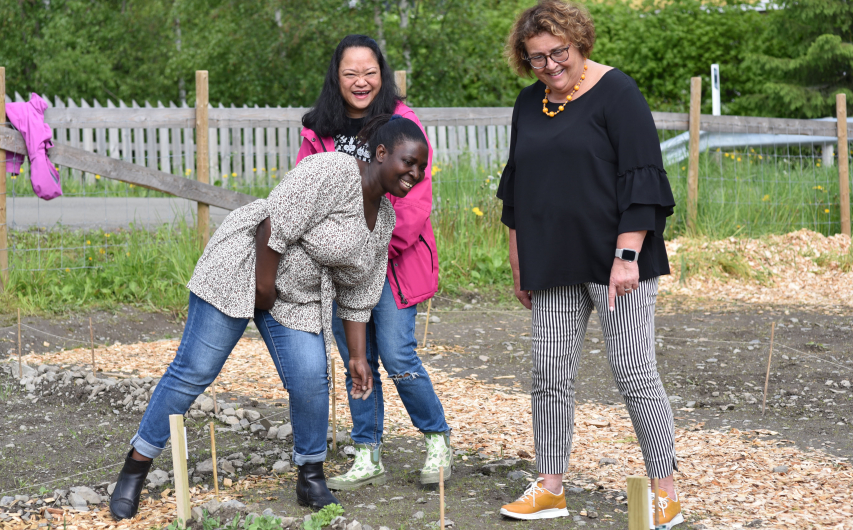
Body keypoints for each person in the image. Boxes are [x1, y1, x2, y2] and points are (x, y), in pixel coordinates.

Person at [108, 114, 429, 520]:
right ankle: (136, 466)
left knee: (311, 377)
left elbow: (358, 293)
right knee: (194, 371)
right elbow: (273, 224)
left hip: (296, 294)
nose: (414, 174)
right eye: (408, 162)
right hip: (244, 267)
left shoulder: (383, 219)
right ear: (381, 153)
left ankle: (310, 474)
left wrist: (359, 357)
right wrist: (264, 289)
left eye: (421, 167)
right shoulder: (332, 170)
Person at [495, 2, 681, 528]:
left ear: (579, 42)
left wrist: (627, 255)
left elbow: (642, 177)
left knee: (633, 371)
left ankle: (665, 491)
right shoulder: (529, 104)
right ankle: (550, 487)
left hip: (615, 260)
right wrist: (517, 261)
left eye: (560, 53)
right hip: (551, 259)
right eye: (537, 58)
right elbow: (517, 189)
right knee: (550, 376)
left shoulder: (617, 92)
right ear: (524, 60)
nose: (551, 66)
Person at [296, 34, 452, 491]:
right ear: (336, 77)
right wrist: (335, 255)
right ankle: (367, 452)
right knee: (354, 359)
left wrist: (368, 254)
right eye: (350, 73)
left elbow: (415, 199)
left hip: (392, 262)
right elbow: (306, 196)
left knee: (399, 354)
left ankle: (437, 439)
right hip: (339, 267)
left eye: (369, 72)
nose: (360, 82)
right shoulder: (317, 129)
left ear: (381, 75)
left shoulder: (403, 123)